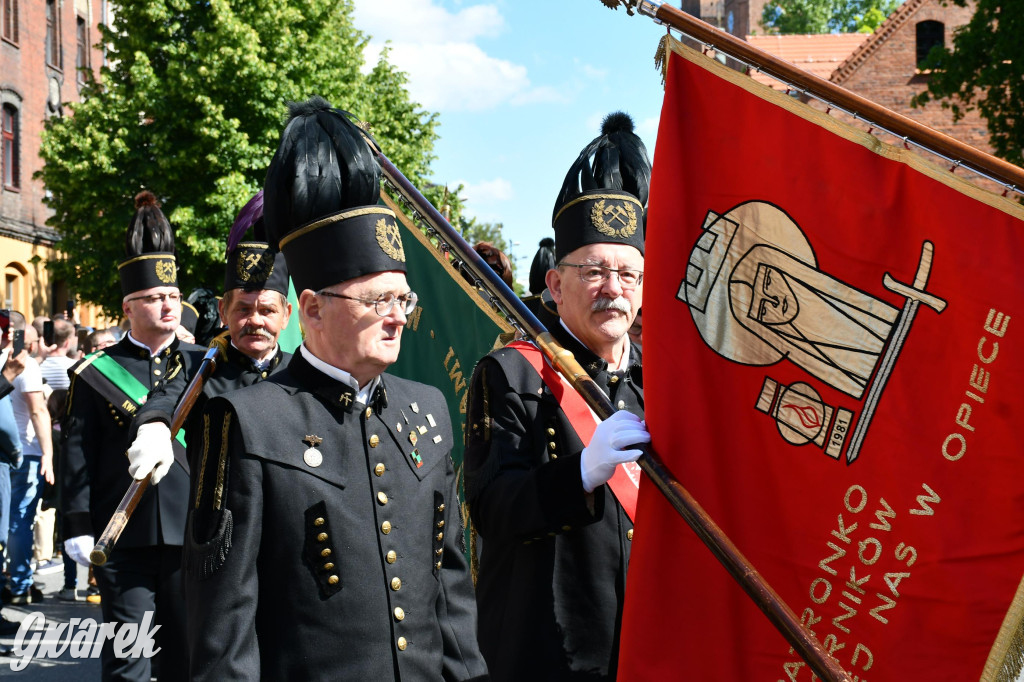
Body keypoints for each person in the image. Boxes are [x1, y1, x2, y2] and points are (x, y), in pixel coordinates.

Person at [184, 97, 488, 681]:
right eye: (377, 301)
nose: (397, 316)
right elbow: (224, 633)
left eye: (403, 299)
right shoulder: (245, 422)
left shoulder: (426, 410)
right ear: (313, 309)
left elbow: (450, 591)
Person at [464, 112, 652, 682]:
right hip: (547, 652)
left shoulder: (661, 380)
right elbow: (493, 508)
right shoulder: (510, 375)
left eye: (628, 273)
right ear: (555, 285)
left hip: (648, 645)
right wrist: (582, 473)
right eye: (594, 271)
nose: (613, 289)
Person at [61, 190, 203, 682]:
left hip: (190, 532)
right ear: (128, 306)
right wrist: (76, 524)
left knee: (185, 656)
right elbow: (78, 452)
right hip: (121, 534)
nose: (167, 305)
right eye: (154, 298)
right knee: (129, 662)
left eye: (172, 296)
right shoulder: (96, 371)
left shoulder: (204, 365)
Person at [126, 190, 293, 485]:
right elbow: (166, 397)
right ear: (222, 312)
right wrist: (153, 426)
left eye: (267, 310)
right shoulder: (197, 364)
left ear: (286, 315)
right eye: (243, 309)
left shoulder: (301, 369)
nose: (255, 320)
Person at [4, 319, 54, 605]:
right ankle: (20, 584)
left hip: (7, 452)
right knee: (20, 521)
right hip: (26, 453)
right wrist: (48, 453)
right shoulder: (27, 367)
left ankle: (8, 579)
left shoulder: (11, 362)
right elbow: (38, 412)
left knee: (6, 522)